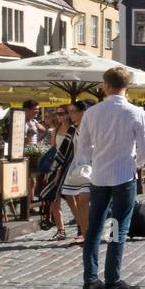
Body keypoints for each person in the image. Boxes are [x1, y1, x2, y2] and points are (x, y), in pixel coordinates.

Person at [72, 67, 145, 289]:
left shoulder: (92, 113)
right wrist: (135, 162)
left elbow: (83, 148)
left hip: (99, 176)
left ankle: (90, 278)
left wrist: (97, 158)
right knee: (117, 227)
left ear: (106, 85)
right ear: (126, 87)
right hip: (123, 176)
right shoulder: (136, 113)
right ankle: (112, 278)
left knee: (93, 227)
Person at [36, 103, 80, 241]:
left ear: (69, 114)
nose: (59, 116)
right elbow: (54, 150)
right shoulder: (56, 129)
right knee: (53, 199)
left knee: (71, 200)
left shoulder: (74, 130)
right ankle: (61, 230)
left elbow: (75, 150)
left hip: (69, 167)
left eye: (62, 113)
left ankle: (81, 228)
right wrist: (51, 169)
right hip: (56, 167)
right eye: (58, 114)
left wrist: (62, 169)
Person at [58, 101, 93, 243]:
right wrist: (57, 168)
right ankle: (86, 235)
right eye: (69, 111)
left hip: (92, 167)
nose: (70, 114)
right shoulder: (73, 129)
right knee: (77, 200)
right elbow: (64, 150)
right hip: (78, 167)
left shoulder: (93, 127)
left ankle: (89, 235)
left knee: (84, 201)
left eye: (73, 111)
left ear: (83, 112)